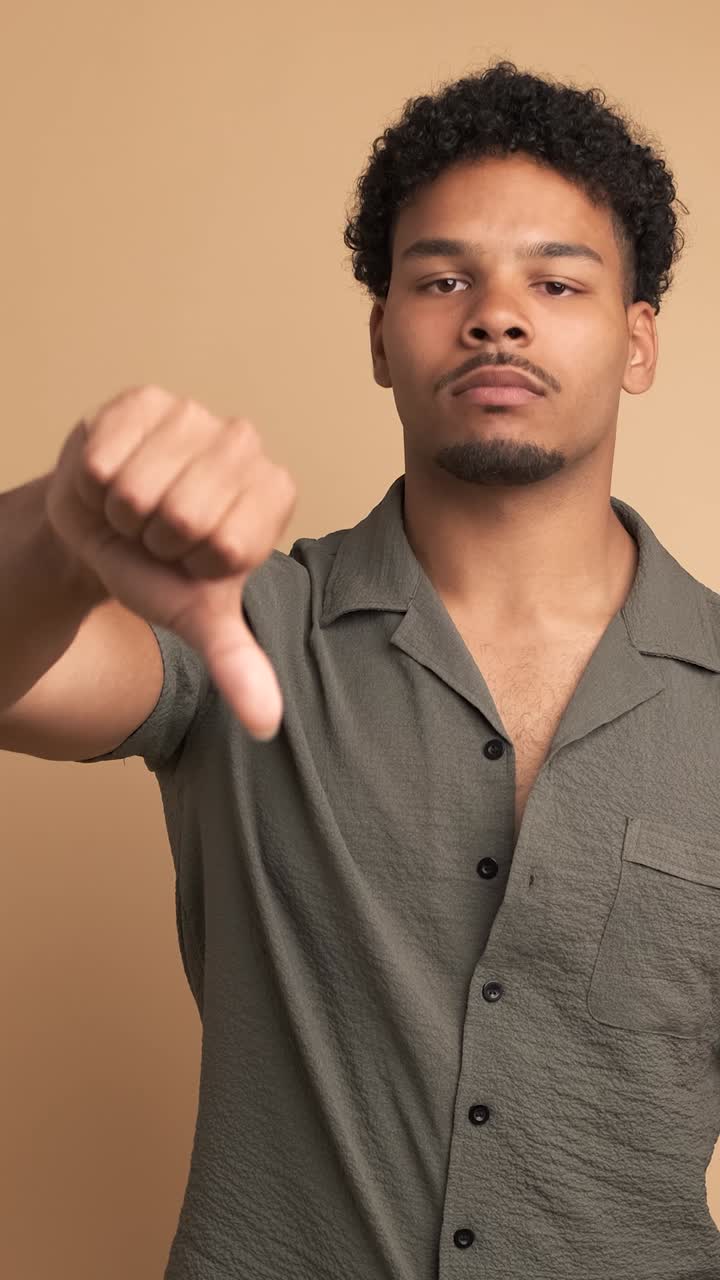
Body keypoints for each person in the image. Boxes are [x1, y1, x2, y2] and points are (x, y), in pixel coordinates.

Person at [1, 57, 716, 1280]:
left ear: (638, 342)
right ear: (381, 337)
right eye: (443, 278)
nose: (497, 313)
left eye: (556, 279)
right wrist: (64, 525)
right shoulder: (244, 623)